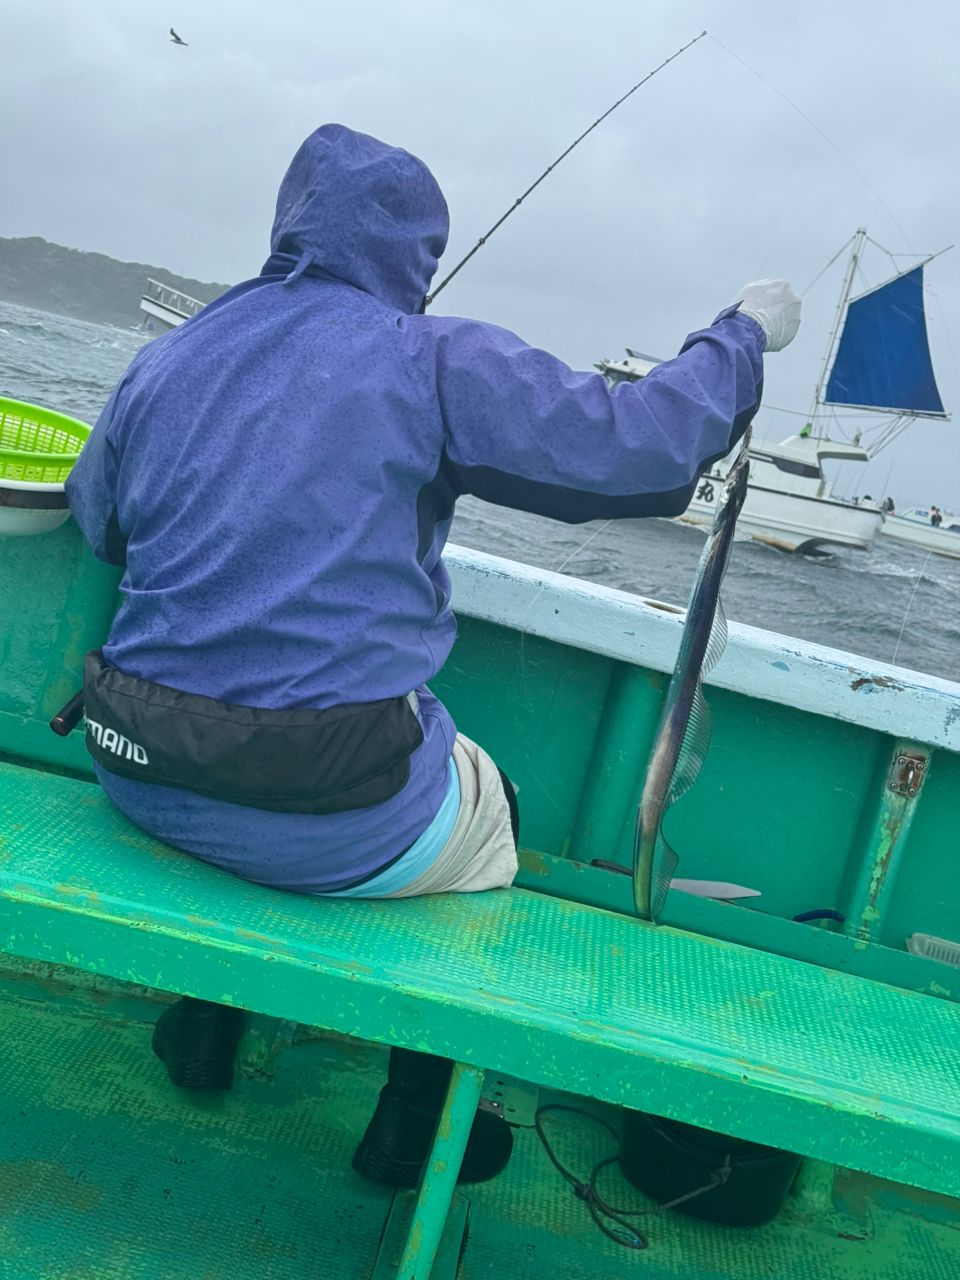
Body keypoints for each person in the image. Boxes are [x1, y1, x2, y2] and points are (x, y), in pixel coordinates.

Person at [65, 124, 801, 1187]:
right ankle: (420, 1120)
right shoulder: (431, 355)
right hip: (328, 807)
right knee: (491, 806)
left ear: (290, 222)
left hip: (132, 764)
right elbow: (643, 444)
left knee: (260, 776)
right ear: (416, 255)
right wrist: (739, 332)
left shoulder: (170, 354)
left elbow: (102, 523)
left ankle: (205, 1034)